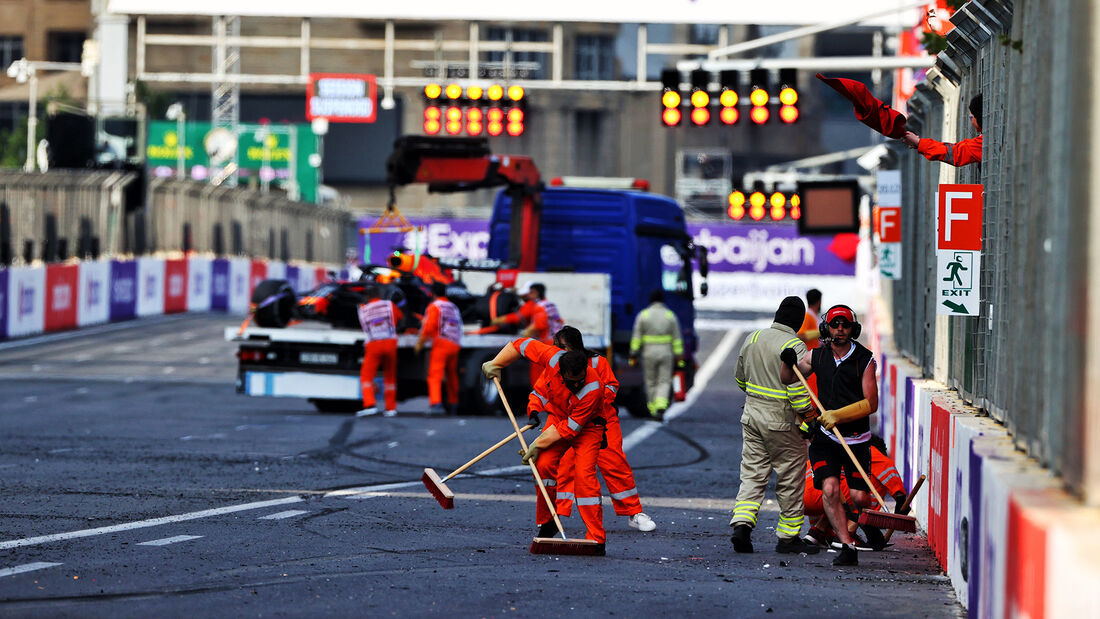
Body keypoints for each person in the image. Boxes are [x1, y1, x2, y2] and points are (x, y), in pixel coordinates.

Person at [482, 333, 608, 553]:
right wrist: (496, 363)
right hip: (559, 420)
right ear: (561, 370)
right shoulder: (552, 357)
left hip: (587, 428)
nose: (576, 384)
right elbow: (521, 344)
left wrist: (538, 444)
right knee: (542, 466)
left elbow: (571, 429)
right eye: (572, 381)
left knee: (584, 477)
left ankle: (596, 539)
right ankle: (547, 522)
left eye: (580, 380)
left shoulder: (593, 388)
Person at [781, 304, 879, 567]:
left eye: (845, 325)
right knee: (830, 488)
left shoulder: (865, 359)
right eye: (835, 325)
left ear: (853, 329)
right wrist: (786, 360)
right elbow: (789, 378)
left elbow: (871, 403)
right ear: (827, 328)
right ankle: (848, 545)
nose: (840, 330)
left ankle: (862, 523)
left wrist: (838, 415)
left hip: (856, 440)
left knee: (859, 497)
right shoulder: (817, 356)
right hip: (826, 440)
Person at [729, 296, 819, 555]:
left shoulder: (753, 338)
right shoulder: (796, 346)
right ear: (799, 320)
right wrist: (810, 418)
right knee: (790, 477)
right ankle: (788, 537)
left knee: (753, 473)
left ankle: (742, 525)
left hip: (752, 415)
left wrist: (757, 398)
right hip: (783, 421)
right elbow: (798, 392)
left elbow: (741, 379)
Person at [551, 326, 656, 533]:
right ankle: (557, 516)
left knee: (615, 464)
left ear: (574, 345)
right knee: (565, 466)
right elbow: (545, 390)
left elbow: (611, 386)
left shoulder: (598, 362)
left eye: (561, 346)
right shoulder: (556, 364)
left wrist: (592, 404)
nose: (557, 350)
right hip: (572, 423)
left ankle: (634, 512)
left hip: (602, 422)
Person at [802, 435, 906, 550]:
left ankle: (817, 532)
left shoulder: (833, 447)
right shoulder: (869, 450)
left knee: (838, 485)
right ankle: (849, 533)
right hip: (826, 495)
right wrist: (901, 498)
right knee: (863, 485)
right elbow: (888, 467)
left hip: (803, 500)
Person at [629, 290, 684, 420]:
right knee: (664, 380)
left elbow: (637, 337)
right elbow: (677, 339)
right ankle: (661, 406)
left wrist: (633, 354)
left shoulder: (644, 315)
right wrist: (680, 359)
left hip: (648, 353)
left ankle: (653, 409)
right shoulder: (670, 316)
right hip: (666, 353)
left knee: (650, 381)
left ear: (650, 301)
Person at [415, 282, 462, 415]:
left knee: (435, 375)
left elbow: (429, 326)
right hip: (455, 343)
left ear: (433, 293)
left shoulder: (435, 306)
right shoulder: (453, 306)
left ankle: (436, 404)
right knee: (452, 376)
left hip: (441, 344)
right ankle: (454, 403)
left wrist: (420, 343)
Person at [491, 281, 550, 387]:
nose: (523, 297)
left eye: (527, 294)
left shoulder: (536, 305)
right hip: (550, 344)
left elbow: (524, 318)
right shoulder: (547, 304)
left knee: (538, 378)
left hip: (544, 344)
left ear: (534, 293)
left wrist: (500, 320)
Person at [357, 285, 403, 417]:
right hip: (390, 343)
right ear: (379, 294)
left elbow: (364, 327)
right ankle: (390, 408)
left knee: (366, 377)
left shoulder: (363, 310)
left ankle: (370, 404)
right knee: (390, 377)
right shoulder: (389, 305)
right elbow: (400, 317)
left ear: (367, 297)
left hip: (374, 344)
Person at [901, 93, 982, 167]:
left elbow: (956, 153)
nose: (971, 120)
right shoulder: (983, 139)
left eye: (971, 117)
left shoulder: (982, 142)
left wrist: (919, 143)